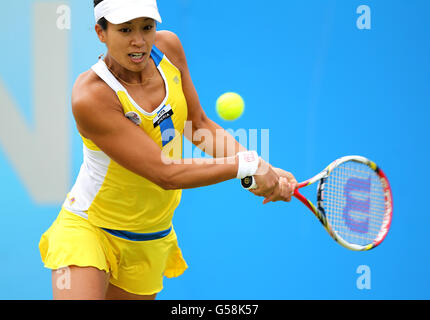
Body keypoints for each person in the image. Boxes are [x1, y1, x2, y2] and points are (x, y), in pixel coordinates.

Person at [39, 0, 297, 300]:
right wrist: (248, 165)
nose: (139, 41)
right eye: (125, 30)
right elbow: (165, 173)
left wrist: (264, 167)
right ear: (101, 32)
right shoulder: (91, 96)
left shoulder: (169, 49)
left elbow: (197, 126)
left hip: (150, 236)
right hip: (90, 228)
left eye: (147, 27)